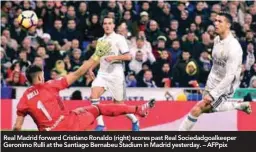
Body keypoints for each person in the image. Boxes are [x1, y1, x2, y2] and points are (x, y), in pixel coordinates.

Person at [13, 40, 155, 131]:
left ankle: (100, 127)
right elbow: (78, 72)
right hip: (69, 124)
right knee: (98, 109)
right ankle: (137, 109)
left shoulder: (23, 100)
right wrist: (98, 54)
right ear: (39, 76)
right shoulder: (51, 85)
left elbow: (17, 128)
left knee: (81, 111)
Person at [179, 12, 252, 131]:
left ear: (228, 25)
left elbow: (230, 77)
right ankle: (238, 105)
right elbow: (216, 64)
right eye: (215, 21)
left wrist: (214, 94)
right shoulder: (217, 39)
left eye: (220, 21)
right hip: (213, 79)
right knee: (207, 109)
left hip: (226, 85)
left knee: (198, 108)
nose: (215, 24)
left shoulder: (234, 48)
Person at [88, 16, 140, 131]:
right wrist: (91, 68)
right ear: (103, 26)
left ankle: (134, 120)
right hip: (102, 73)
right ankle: (101, 125)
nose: (107, 25)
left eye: (109, 23)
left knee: (118, 106)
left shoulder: (119, 38)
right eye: (105, 23)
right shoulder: (101, 40)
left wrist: (114, 57)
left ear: (113, 26)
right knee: (94, 96)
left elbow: (128, 56)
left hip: (116, 73)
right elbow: (98, 57)